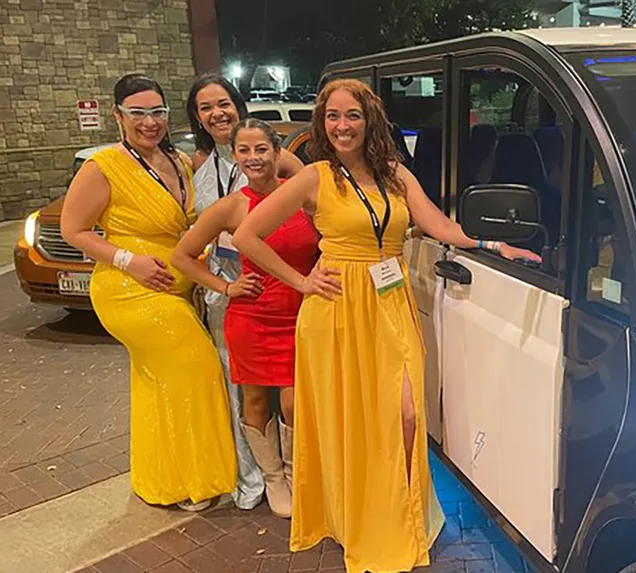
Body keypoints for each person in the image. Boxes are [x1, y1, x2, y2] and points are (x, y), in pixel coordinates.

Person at [232, 78, 540, 572]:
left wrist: (493, 246)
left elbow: (441, 227)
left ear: (369, 119)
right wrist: (301, 280)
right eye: (332, 116)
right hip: (336, 309)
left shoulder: (394, 174)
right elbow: (247, 235)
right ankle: (359, 518)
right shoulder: (314, 177)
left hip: (389, 300)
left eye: (351, 115)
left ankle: (400, 514)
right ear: (322, 123)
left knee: (407, 415)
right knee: (351, 421)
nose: (342, 125)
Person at [60, 73, 236, 511]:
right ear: (118, 115)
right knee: (197, 367)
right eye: (137, 113)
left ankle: (164, 479)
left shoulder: (177, 161)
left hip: (175, 288)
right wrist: (128, 261)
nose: (149, 122)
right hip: (128, 290)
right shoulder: (104, 166)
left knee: (157, 384)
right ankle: (199, 478)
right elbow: (73, 229)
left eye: (157, 112)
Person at [171, 119, 320, 518]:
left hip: (304, 313)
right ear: (235, 156)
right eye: (244, 151)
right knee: (255, 400)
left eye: (261, 149)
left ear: (276, 151)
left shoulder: (303, 198)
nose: (254, 158)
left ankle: (295, 472)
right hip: (252, 315)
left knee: (295, 403)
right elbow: (181, 256)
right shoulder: (230, 207)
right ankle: (274, 480)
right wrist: (224, 287)